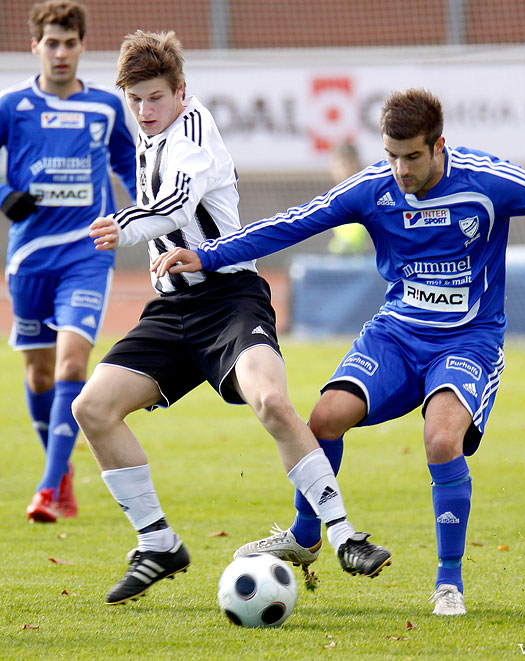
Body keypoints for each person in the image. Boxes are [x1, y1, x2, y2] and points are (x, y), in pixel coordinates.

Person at [151, 89, 525, 616]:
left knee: (442, 440)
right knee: (324, 419)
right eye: (391, 155)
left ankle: (449, 582)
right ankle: (306, 536)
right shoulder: (374, 188)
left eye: (412, 156)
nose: (400, 168)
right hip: (396, 334)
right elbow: (293, 222)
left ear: (439, 145)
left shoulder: (488, 182)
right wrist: (208, 254)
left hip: (468, 339)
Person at [75, 30, 390, 606]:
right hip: (174, 308)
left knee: (270, 401)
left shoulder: (195, 134)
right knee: (91, 407)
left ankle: (344, 534)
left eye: (155, 97)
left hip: (231, 299)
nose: (145, 111)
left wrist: (123, 226)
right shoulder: (148, 138)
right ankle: (158, 543)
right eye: (135, 99)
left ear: (180, 92)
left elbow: (171, 205)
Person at [0, 1, 136, 523]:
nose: (60, 53)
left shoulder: (104, 107)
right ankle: (61, 473)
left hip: (87, 253)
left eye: (69, 42)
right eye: (51, 43)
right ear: (35, 46)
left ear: (82, 45)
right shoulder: (13, 105)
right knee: (37, 376)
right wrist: (4, 193)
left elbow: (130, 165)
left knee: (73, 366)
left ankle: (48, 488)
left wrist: (148, 215)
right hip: (31, 255)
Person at [327, 143, 370, 255]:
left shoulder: (369, 195)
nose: (346, 168)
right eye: (342, 163)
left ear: (358, 165)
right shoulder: (331, 200)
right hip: (342, 258)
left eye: (350, 162)